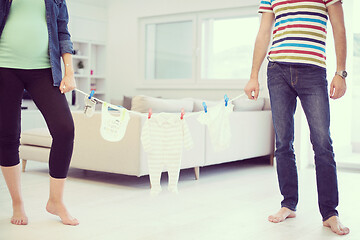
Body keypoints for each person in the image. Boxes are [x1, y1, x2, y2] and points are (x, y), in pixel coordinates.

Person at [244, 0, 349, 236]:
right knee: (283, 143)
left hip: (313, 70)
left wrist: (340, 72)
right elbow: (264, 32)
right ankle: (288, 204)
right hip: (277, 70)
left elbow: (338, 27)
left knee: (322, 143)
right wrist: (253, 76)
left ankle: (330, 212)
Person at [0, 0, 78, 225]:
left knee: (65, 129)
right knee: (7, 136)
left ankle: (56, 201)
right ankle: (17, 203)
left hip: (44, 70)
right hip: (5, 68)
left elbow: (63, 31)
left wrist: (69, 72)